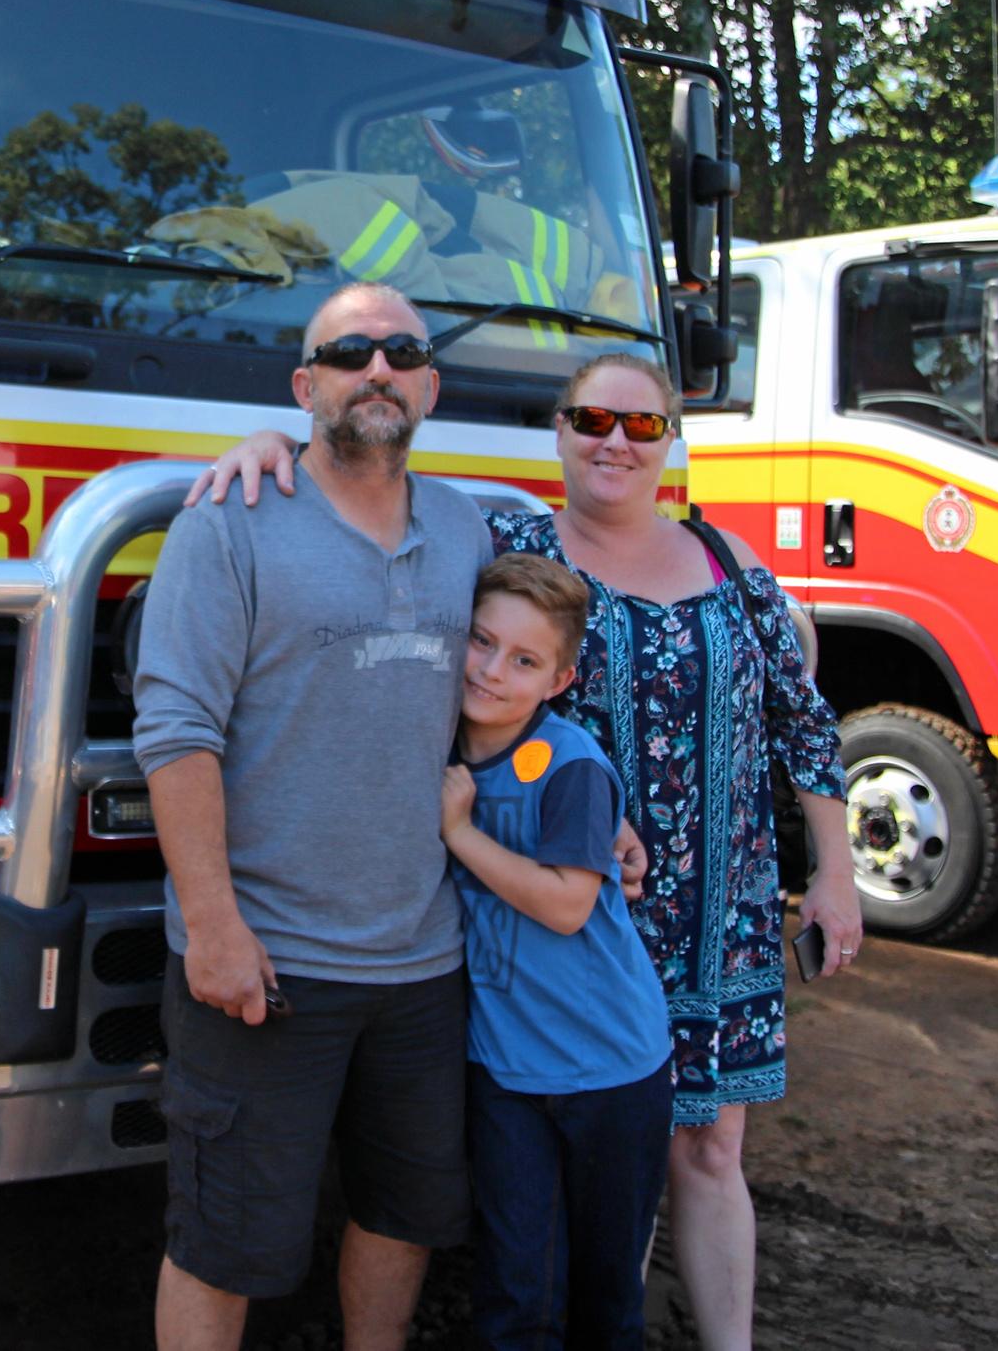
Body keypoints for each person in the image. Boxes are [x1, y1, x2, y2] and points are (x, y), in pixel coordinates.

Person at [191, 350, 861, 1351]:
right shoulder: (501, 544)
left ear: (671, 440)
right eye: (594, 420)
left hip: (720, 908)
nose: (615, 443)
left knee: (712, 1144)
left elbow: (801, 721)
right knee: (592, 1157)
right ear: (558, 430)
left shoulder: (731, 564)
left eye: (642, 426)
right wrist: (273, 450)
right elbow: (370, 512)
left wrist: (837, 875)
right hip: (572, 918)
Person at [131, 282, 490, 1351]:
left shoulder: (470, 528)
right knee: (223, 1242)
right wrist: (214, 928)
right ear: (306, 387)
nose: (376, 369)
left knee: (404, 1214)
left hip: (424, 965)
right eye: (349, 354)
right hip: (266, 965)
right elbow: (176, 733)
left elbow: (552, 646)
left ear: (428, 384)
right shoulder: (230, 523)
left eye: (400, 352)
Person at [442, 553, 672, 1348]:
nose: (491, 669)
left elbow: (570, 904)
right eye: (480, 641)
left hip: (612, 1071)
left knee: (607, 1297)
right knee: (515, 1288)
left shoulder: (569, 763)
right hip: (506, 1072)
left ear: (561, 680)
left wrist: (460, 834)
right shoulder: (435, 744)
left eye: (524, 659)